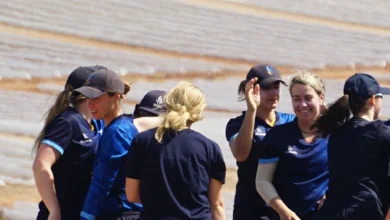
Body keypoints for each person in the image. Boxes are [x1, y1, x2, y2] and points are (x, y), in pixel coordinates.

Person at [125, 81, 227, 220]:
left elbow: (131, 195)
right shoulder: (209, 147)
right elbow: (216, 204)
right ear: (198, 111)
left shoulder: (141, 141)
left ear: (168, 105)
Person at [75, 68, 159, 220]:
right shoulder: (128, 124)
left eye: (96, 97)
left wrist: (86, 216)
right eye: (88, 97)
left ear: (116, 97)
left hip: (121, 213)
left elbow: (103, 182)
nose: (90, 103)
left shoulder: (116, 132)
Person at [313, 73, 390, 220]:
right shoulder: (379, 132)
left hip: (330, 212)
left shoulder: (336, 133)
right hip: (363, 211)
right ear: (373, 100)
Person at [32, 65, 106, 220]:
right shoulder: (67, 122)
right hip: (62, 214)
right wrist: (54, 210)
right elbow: (40, 165)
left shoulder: (94, 124)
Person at [225, 64, 295, 219]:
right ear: (250, 90)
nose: (273, 93)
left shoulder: (290, 121)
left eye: (276, 87)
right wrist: (252, 110)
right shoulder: (237, 124)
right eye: (266, 88)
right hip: (250, 209)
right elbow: (241, 154)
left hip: (285, 208)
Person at [256, 71, 329, 220]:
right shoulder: (278, 135)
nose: (302, 105)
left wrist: (332, 195)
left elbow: (348, 174)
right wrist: (283, 211)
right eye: (296, 99)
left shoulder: (335, 134)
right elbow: (262, 180)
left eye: (308, 98)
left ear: (321, 98)